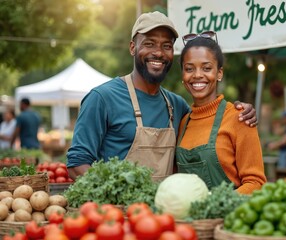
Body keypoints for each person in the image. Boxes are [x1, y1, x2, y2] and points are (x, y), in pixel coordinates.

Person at [66, 11, 257, 181]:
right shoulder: (102, 98)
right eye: (149, 44)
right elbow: (77, 163)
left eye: (166, 46)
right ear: (133, 47)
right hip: (119, 215)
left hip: (164, 217)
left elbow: (207, 120)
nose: (158, 52)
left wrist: (238, 110)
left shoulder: (178, 106)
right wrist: (112, 195)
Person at [175, 33, 266, 194]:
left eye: (207, 68)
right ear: (182, 75)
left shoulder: (239, 118)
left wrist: (215, 205)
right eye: (189, 68)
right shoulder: (183, 123)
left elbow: (256, 182)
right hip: (190, 218)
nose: (197, 75)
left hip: (230, 216)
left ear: (219, 73)